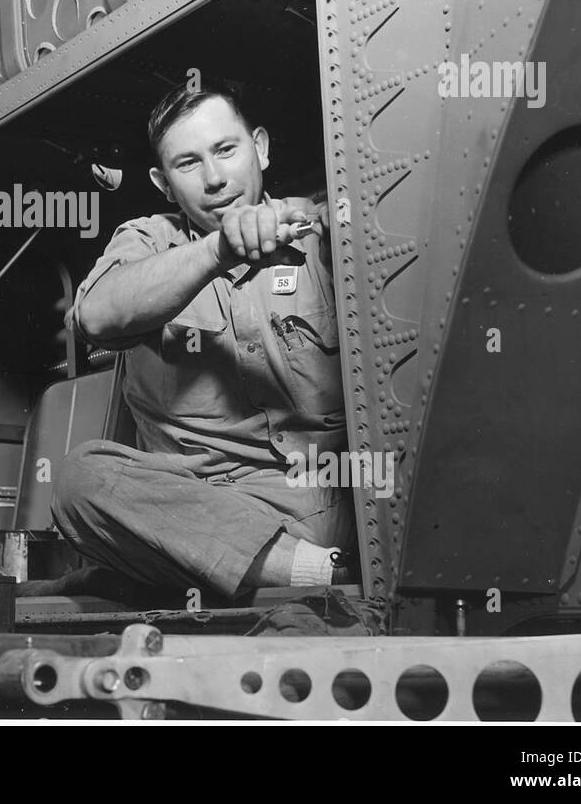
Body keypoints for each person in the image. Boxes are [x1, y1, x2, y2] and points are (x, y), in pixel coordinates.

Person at [50, 84, 354, 603]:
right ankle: (313, 575)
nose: (214, 179)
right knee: (81, 479)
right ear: (163, 184)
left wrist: (336, 220)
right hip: (185, 508)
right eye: (187, 164)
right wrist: (220, 248)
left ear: (259, 147)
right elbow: (96, 317)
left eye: (226, 150)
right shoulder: (148, 241)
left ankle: (206, 571)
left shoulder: (318, 232)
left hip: (309, 506)